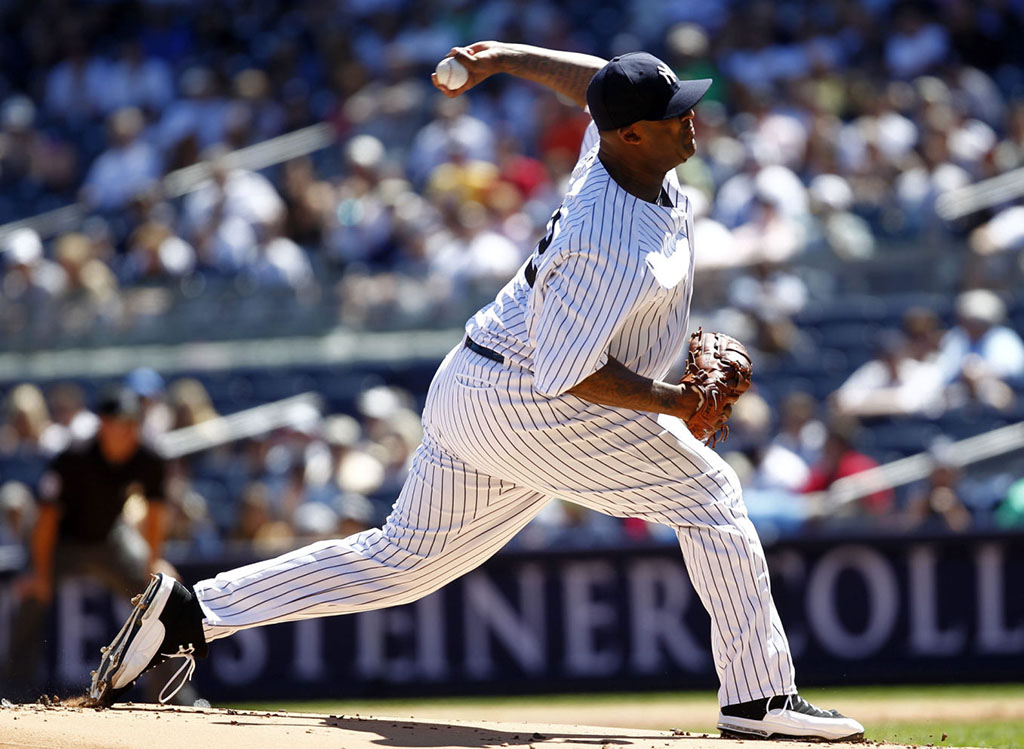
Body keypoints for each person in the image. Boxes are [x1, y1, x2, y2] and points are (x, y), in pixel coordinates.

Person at [90, 42, 863, 742]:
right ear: (630, 134)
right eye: (670, 116)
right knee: (712, 496)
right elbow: (570, 374)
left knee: (403, 561)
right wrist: (677, 403)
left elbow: (595, 82)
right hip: (533, 401)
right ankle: (759, 701)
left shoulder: (613, 150)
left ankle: (190, 612)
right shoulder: (607, 236)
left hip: (476, 383)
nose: (689, 120)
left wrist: (505, 56)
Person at [3, 385, 186, 703]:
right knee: (32, 594)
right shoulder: (73, 456)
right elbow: (46, 522)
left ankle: (170, 696)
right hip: (62, 541)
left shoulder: (149, 457)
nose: (126, 432)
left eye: (132, 424)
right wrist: (41, 574)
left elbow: (156, 515)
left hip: (109, 538)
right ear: (103, 424)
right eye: (118, 424)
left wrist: (153, 563)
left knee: (159, 594)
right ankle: (10, 694)